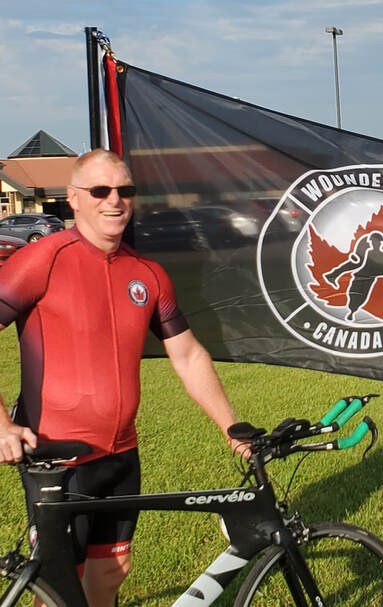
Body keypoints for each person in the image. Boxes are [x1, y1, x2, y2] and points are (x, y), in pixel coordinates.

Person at [0, 149, 243, 607]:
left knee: (111, 574)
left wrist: (231, 428)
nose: (114, 200)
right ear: (73, 198)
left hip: (121, 453)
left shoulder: (147, 273)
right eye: (100, 190)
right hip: (57, 455)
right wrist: (2, 425)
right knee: (58, 588)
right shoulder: (43, 259)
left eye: (125, 190)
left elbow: (188, 355)